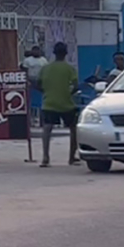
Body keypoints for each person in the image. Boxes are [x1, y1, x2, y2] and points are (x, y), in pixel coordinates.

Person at [38, 41, 82, 169]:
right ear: (66, 54)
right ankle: (71, 157)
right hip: (66, 103)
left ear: (54, 53)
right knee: (73, 129)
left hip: (49, 103)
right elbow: (75, 86)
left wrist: (46, 92)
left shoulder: (45, 68)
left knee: (47, 129)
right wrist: (69, 93)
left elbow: (38, 83)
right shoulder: (69, 69)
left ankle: (45, 157)